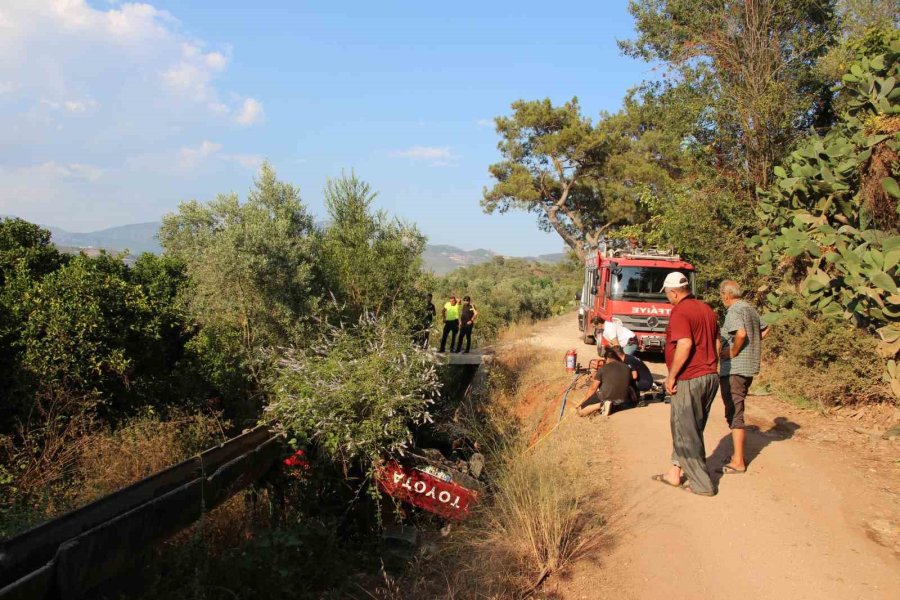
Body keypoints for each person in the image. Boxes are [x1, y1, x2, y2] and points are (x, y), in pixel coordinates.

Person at [652, 271, 720, 497]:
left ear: (673, 292)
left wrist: (671, 376)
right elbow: (717, 342)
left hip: (690, 378)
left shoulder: (680, 311)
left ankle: (702, 485)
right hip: (710, 376)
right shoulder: (706, 309)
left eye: (668, 295)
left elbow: (685, 343)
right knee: (690, 426)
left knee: (685, 429)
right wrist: (711, 366)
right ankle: (675, 472)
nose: (667, 299)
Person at [718, 280, 770, 475]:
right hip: (748, 367)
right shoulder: (750, 308)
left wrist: (733, 351)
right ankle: (735, 455)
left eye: (722, 295)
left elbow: (740, 333)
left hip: (735, 369)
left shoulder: (734, 310)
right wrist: (752, 343)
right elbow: (765, 328)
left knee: (734, 412)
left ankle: (738, 461)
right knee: (736, 408)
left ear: (726, 295)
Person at [577, 347, 632, 418]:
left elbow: (593, 388)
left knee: (580, 411)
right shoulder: (627, 367)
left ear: (607, 359)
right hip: (622, 401)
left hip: (605, 397)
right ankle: (606, 407)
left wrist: (584, 403)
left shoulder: (603, 368)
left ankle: (602, 405)